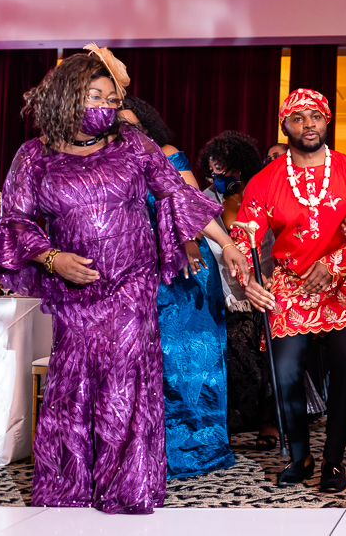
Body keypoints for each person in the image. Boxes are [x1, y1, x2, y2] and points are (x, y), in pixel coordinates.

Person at [0, 45, 248, 514]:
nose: (106, 108)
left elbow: (177, 192)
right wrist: (50, 258)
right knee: (73, 383)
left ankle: (126, 487)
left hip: (132, 284)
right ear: (66, 97)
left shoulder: (132, 144)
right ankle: (69, 486)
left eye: (111, 100)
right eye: (95, 97)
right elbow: (16, 223)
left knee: (125, 379)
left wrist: (227, 245)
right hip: (74, 291)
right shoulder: (34, 158)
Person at [236, 88, 346, 493]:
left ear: (328, 121)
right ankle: (300, 455)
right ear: (285, 125)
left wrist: (335, 265)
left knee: (345, 365)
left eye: (316, 117)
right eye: (299, 118)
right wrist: (248, 281)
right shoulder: (265, 180)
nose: (309, 125)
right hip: (291, 280)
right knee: (284, 371)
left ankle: (334, 461)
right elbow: (244, 238)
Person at [121, 95, 235, 479]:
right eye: (119, 125)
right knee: (153, 363)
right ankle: (148, 449)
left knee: (192, 361)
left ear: (148, 124)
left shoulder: (166, 153)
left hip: (186, 267)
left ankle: (196, 448)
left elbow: (189, 205)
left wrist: (223, 243)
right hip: (140, 269)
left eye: (133, 124)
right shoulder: (108, 165)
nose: (127, 131)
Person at [197, 131, 281, 447]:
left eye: (224, 169)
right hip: (222, 291)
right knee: (232, 360)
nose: (217, 174)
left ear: (241, 168)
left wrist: (266, 281)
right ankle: (230, 422)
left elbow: (270, 245)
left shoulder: (258, 197)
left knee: (264, 360)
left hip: (261, 288)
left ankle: (268, 422)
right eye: (213, 168)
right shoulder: (203, 198)